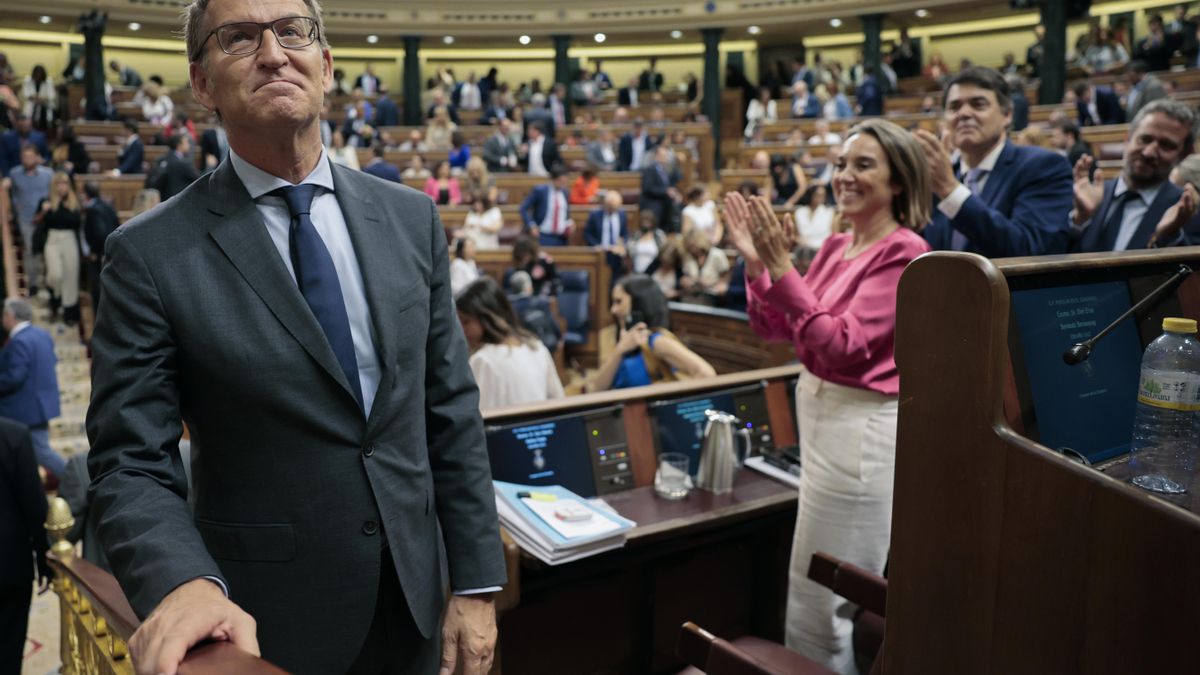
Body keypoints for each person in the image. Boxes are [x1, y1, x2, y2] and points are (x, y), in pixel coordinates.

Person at [86, 2, 506, 673]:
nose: (274, 53)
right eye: (240, 38)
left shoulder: (411, 217)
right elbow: (131, 461)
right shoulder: (150, 253)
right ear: (201, 83)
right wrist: (184, 581)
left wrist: (478, 581)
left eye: (291, 32)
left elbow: (449, 410)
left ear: (327, 64)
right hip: (266, 622)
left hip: (417, 602)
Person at [724, 118, 932, 674]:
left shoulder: (905, 251)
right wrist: (757, 261)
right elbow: (778, 328)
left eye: (864, 165)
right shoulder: (839, 244)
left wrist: (782, 265)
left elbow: (841, 344)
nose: (845, 175)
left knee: (823, 602)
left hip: (857, 434)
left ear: (899, 185)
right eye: (841, 163)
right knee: (810, 586)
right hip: (821, 427)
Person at [917, 67, 1073, 257]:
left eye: (978, 104)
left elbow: (1030, 250)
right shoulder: (940, 177)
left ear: (1007, 115)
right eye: (954, 107)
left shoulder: (1044, 166)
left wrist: (951, 191)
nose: (964, 113)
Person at [1070, 99, 1197, 252]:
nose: (1148, 153)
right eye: (1145, 139)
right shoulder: (1088, 196)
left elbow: (1192, 273)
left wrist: (1171, 236)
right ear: (1128, 139)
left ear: (1183, 155)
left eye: (1166, 145)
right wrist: (1079, 220)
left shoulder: (1189, 212)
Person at [584, 274, 715, 391]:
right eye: (612, 302)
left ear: (639, 303)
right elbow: (598, 388)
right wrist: (620, 350)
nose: (613, 310)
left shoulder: (657, 340)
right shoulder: (609, 335)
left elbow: (706, 374)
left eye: (619, 302)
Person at [455, 277, 564, 410]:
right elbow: (559, 402)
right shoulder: (537, 348)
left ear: (488, 318)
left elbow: (477, 420)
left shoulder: (483, 361)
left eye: (466, 322)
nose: (462, 330)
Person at [0, 417, 49, 675]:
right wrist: (44, 561)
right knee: (8, 648)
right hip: (9, 568)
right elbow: (35, 506)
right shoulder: (14, 434)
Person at [0, 297, 64, 477]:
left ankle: (79, 480)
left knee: (42, 452)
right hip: (38, 406)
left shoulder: (19, 341)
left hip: (23, 409)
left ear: (10, 315)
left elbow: (15, 377)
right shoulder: (42, 334)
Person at [4, 145, 52, 294]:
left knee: (47, 250)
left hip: (46, 219)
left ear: (37, 157)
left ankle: (46, 282)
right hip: (26, 218)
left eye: (30, 156)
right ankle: (33, 283)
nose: (27, 160)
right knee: (30, 250)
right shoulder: (14, 173)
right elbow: (12, 195)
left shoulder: (48, 174)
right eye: (24, 157)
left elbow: (53, 194)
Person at [39, 171, 83, 323]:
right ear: (54, 186)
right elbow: (40, 223)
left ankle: (68, 314)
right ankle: (55, 299)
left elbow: (76, 223)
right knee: (55, 274)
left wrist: (66, 208)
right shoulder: (46, 201)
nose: (62, 187)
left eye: (64, 183)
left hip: (69, 239)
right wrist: (44, 211)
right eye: (58, 183)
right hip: (52, 239)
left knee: (70, 277)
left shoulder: (74, 202)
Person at [82, 181, 120, 316]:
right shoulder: (108, 206)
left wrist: (95, 251)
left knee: (98, 289)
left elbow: (99, 232)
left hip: (99, 254)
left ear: (85, 194)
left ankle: (100, 318)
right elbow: (117, 226)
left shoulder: (92, 209)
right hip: (112, 251)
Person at [520, 164, 572, 246]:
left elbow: (565, 211)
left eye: (564, 182)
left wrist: (569, 222)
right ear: (553, 179)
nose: (563, 185)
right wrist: (531, 226)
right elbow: (523, 208)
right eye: (560, 181)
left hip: (562, 238)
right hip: (543, 236)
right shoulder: (540, 191)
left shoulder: (565, 192)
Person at [585, 190, 629, 282]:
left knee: (616, 279)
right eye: (610, 207)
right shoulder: (595, 215)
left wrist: (622, 244)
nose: (612, 210)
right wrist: (595, 245)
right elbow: (588, 234)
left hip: (616, 254)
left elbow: (625, 233)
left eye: (615, 208)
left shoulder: (622, 214)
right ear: (605, 204)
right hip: (600, 252)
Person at [678, 228, 731, 305]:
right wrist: (687, 281)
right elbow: (685, 276)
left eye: (693, 245)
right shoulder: (688, 257)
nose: (692, 249)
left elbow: (726, 278)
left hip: (712, 296)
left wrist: (712, 283)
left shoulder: (717, 255)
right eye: (689, 246)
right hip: (691, 295)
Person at [640, 145, 682, 233]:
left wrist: (674, 193)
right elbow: (647, 188)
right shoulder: (650, 169)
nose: (665, 158)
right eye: (663, 155)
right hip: (652, 202)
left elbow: (673, 182)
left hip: (664, 202)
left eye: (666, 155)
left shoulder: (664, 170)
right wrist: (665, 191)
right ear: (656, 156)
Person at [149, 133, 202, 201]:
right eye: (186, 142)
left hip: (163, 201)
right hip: (179, 201)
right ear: (179, 145)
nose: (189, 145)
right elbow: (200, 179)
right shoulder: (184, 163)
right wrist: (210, 166)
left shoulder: (161, 159)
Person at [793, 183, 837, 254]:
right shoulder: (799, 212)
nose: (820, 198)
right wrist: (799, 240)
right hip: (804, 248)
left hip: (822, 248)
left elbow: (834, 235)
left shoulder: (829, 212)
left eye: (823, 195)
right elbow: (796, 235)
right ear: (811, 195)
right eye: (817, 195)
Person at [21, 65, 56, 131]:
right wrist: (35, 97)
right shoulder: (27, 80)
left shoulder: (49, 81)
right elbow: (25, 93)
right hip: (31, 104)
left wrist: (43, 98)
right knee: (29, 118)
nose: (38, 76)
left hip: (45, 104)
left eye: (40, 74)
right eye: (37, 74)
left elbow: (52, 95)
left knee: (47, 119)